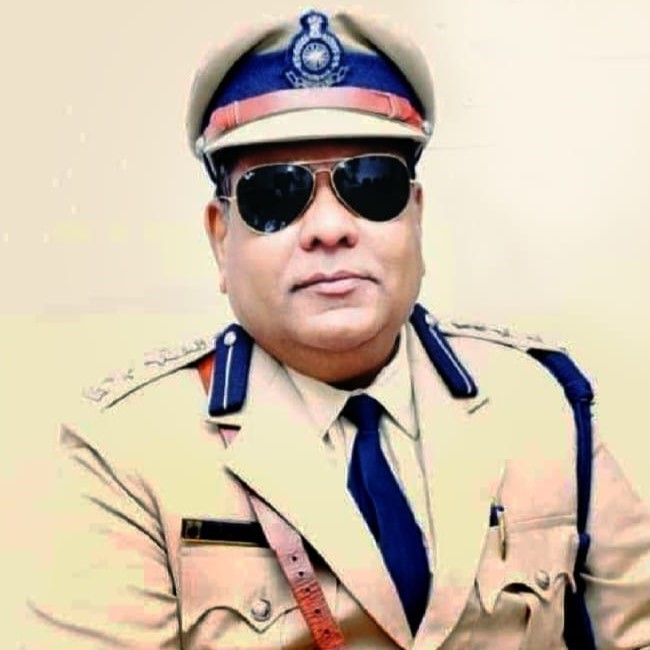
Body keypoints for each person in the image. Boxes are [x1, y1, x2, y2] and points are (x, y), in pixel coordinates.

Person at [25, 8, 650, 650]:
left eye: (370, 184)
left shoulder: (541, 405)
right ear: (220, 238)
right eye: (276, 194)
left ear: (415, 216)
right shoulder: (129, 453)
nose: (330, 228)